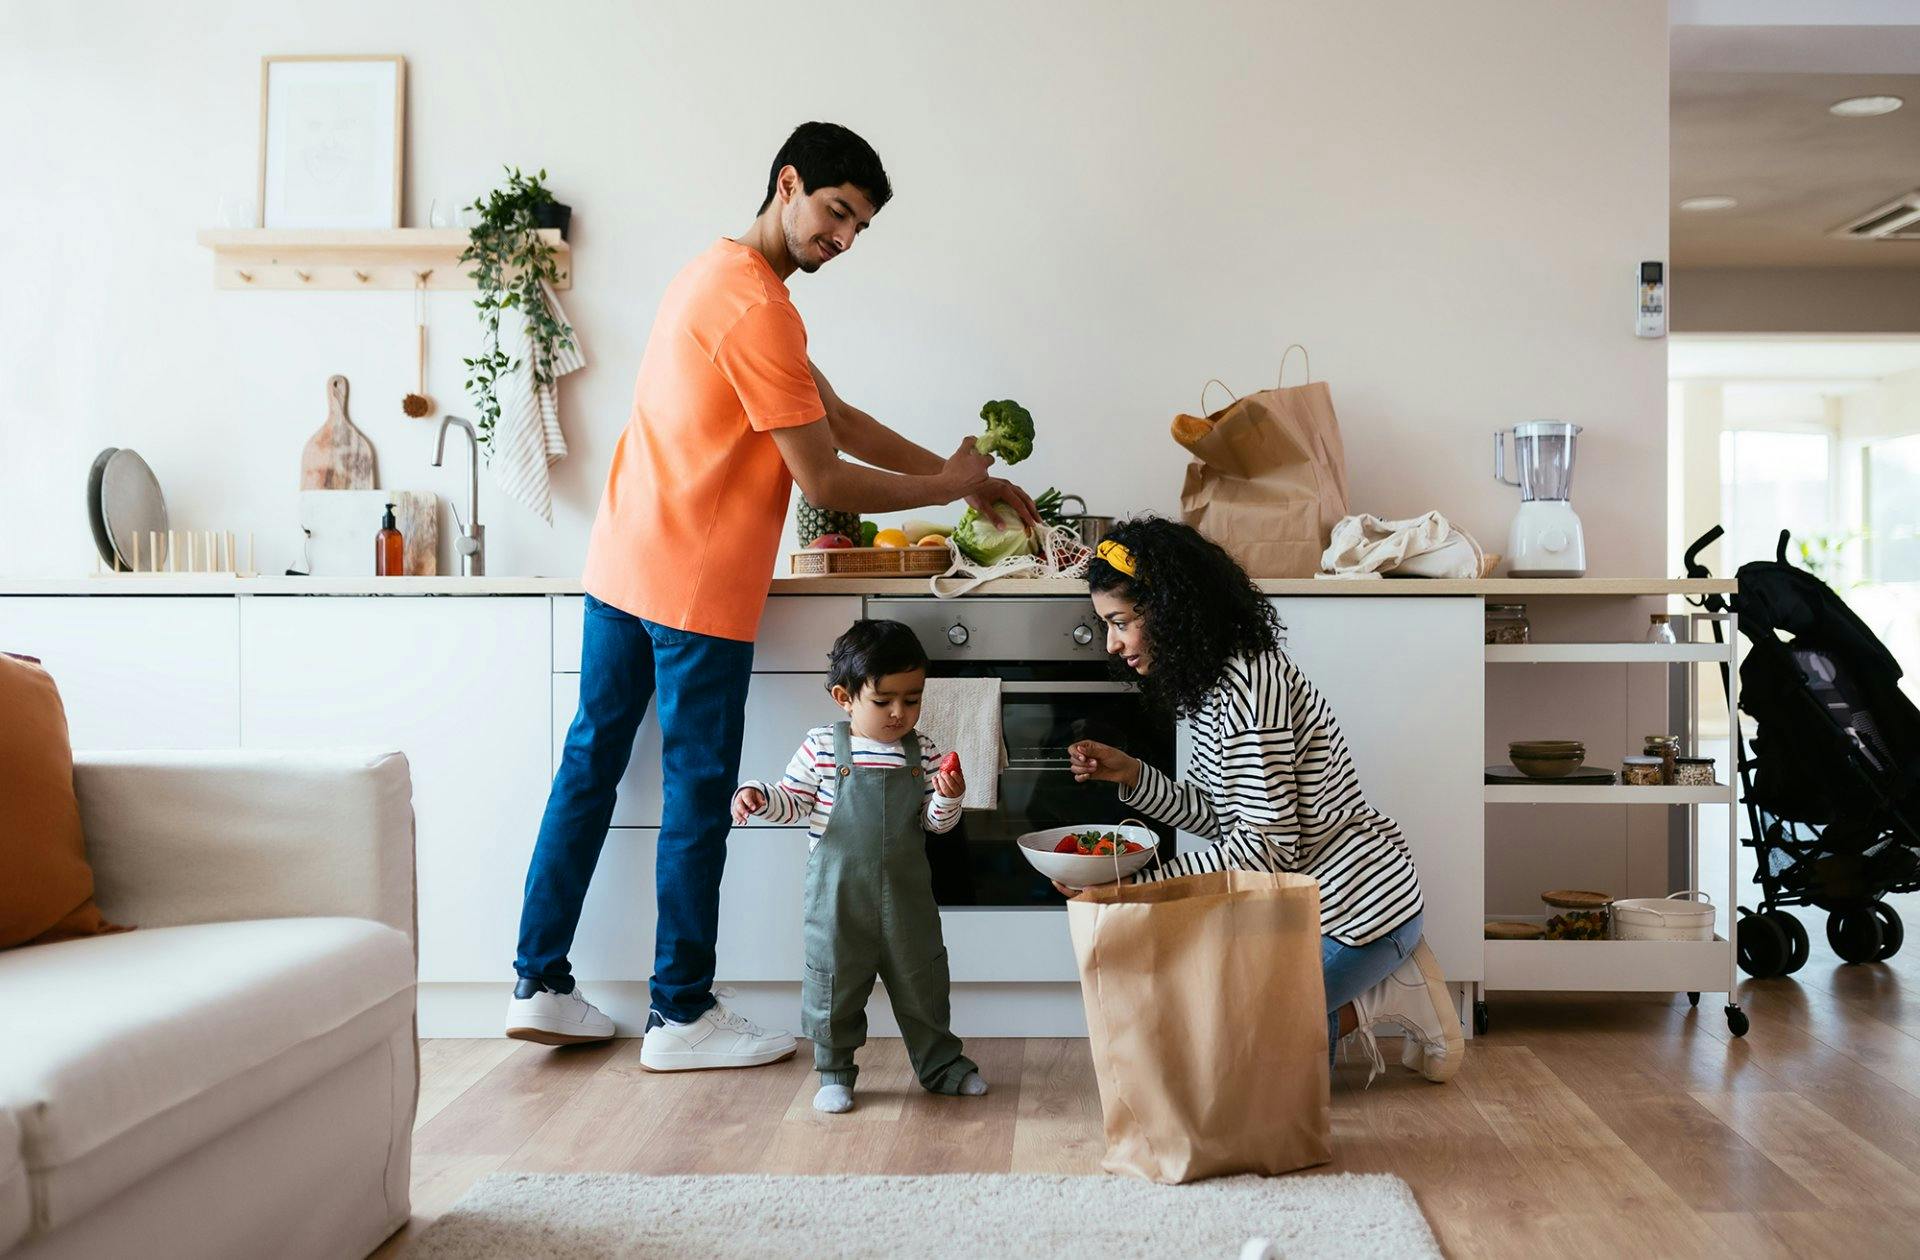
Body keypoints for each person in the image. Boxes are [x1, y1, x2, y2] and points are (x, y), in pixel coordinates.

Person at [507, 121, 1038, 1067]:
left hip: (622, 563)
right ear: (787, 183)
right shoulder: (760, 307)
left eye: (859, 227)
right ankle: (680, 1016)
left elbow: (833, 415)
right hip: (695, 584)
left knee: (588, 770)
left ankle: (539, 983)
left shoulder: (713, 275)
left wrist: (959, 478)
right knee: (698, 795)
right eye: (836, 212)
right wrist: (945, 487)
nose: (843, 238)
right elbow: (824, 475)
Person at [1062, 517, 1464, 1083]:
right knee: (1211, 1047)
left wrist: (1136, 888)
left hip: (1358, 914)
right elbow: (1224, 819)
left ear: (1170, 610)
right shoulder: (1211, 685)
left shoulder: (1252, 690)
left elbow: (1266, 849)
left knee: (1233, 1052)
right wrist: (1134, 776)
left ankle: (1390, 992)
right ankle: (1321, 1015)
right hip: (1298, 908)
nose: (1112, 643)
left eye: (1120, 622)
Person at [732, 619, 986, 1112]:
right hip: (838, 900)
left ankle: (941, 1066)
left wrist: (949, 797)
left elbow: (936, 825)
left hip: (908, 898)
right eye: (884, 700)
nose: (899, 713)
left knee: (924, 983)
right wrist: (759, 795)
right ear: (844, 698)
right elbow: (793, 802)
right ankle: (834, 1071)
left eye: (912, 699)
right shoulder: (823, 747)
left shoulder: (924, 751)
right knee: (834, 986)